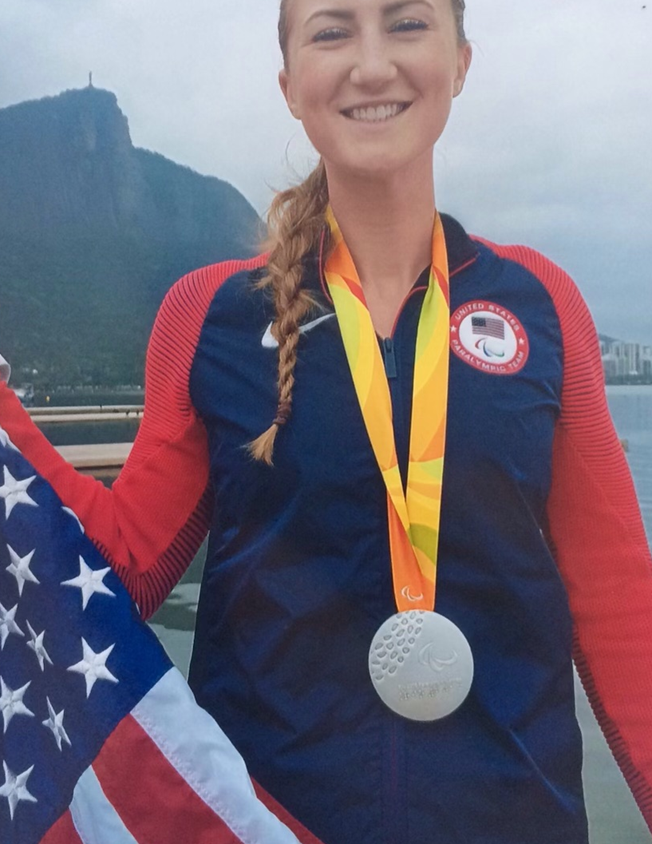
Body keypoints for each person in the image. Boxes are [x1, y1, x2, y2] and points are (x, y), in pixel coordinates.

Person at [1, 1, 652, 842]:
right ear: (290, 84)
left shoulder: (539, 305)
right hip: (266, 822)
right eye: (333, 30)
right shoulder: (210, 316)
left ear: (460, 62)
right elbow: (122, 564)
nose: (371, 64)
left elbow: (618, 604)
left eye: (407, 24)